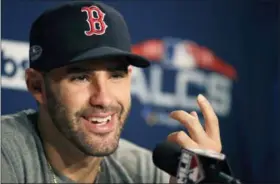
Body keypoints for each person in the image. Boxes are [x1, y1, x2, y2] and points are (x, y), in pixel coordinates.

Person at [1, 1, 222, 183]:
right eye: (81, 77)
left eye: (116, 75)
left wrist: (197, 176)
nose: (104, 99)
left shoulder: (144, 172)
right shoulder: (6, 152)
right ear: (37, 86)